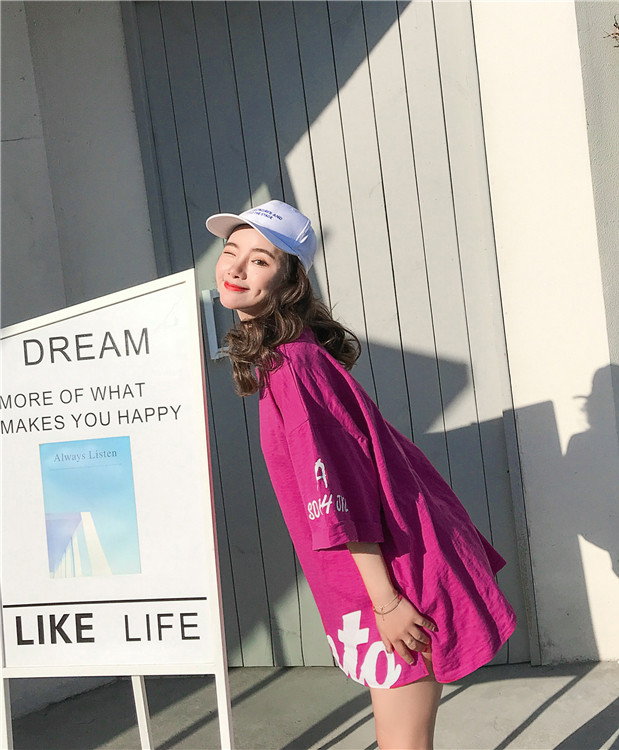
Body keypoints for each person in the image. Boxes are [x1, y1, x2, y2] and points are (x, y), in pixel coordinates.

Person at [206, 199, 516, 750]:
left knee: (403, 739)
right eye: (232, 251)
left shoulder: (294, 367)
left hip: (391, 579)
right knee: (397, 734)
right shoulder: (289, 359)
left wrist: (388, 603)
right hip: (373, 577)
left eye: (260, 260)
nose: (236, 268)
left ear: (289, 283)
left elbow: (337, 495)